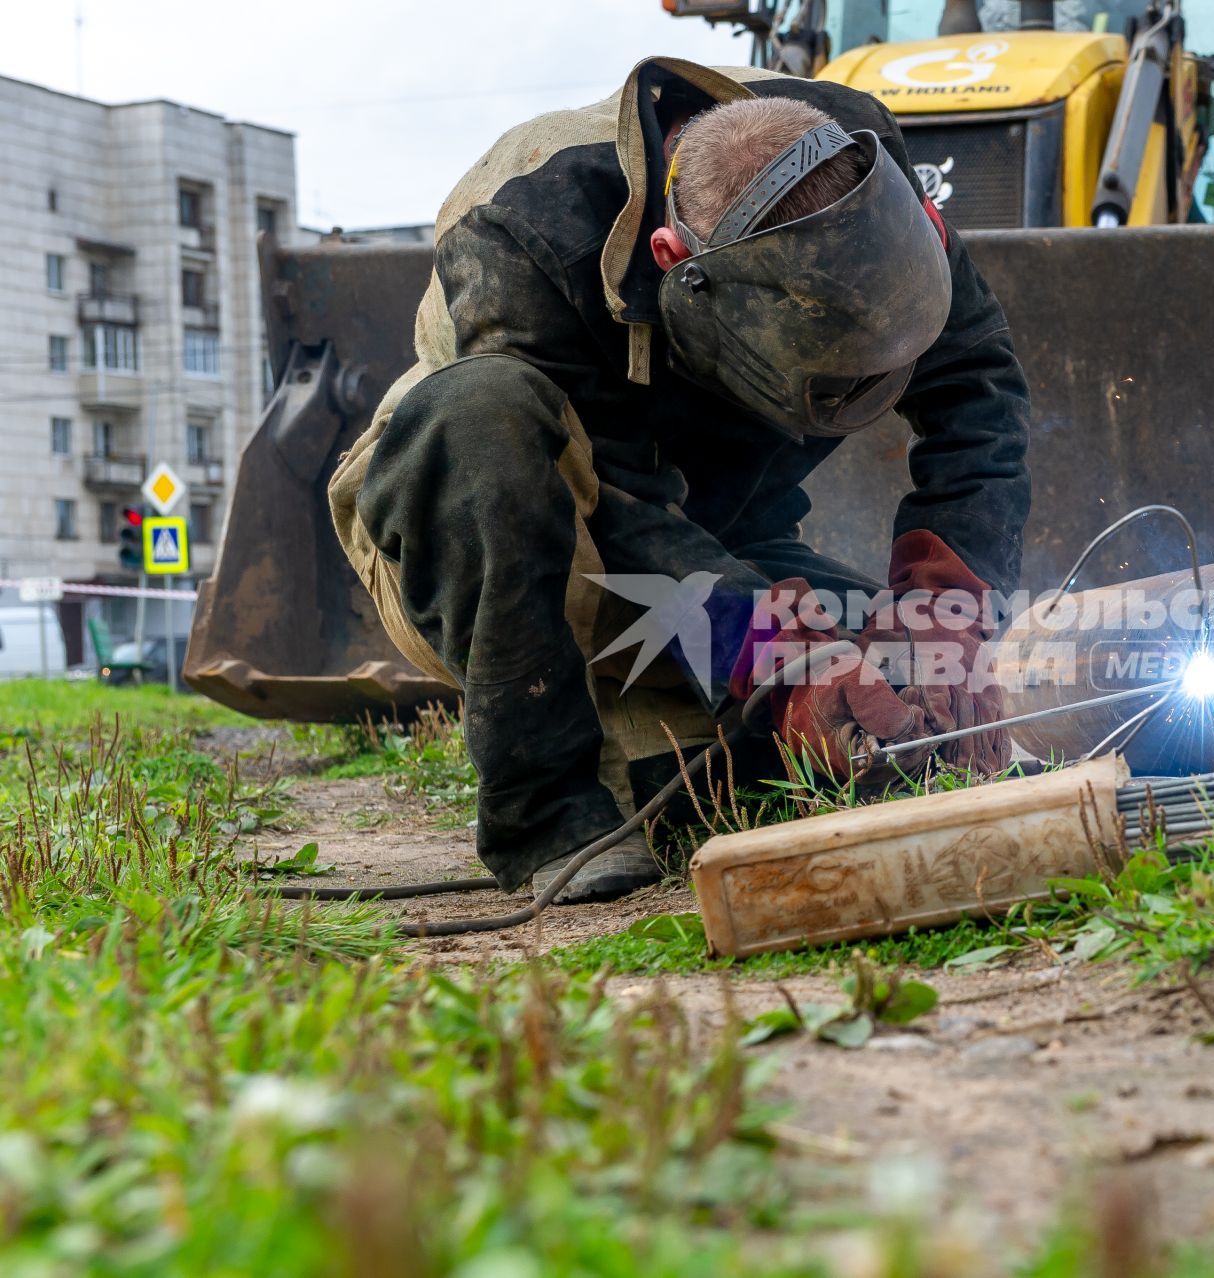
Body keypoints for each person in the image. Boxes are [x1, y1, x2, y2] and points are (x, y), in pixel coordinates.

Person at [327, 58, 1030, 904]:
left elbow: (975, 381)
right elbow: (619, 511)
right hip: (514, 544)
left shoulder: (858, 155)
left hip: (728, 534)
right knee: (483, 412)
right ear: (674, 261)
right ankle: (546, 810)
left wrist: (941, 612)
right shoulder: (522, 233)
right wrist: (782, 659)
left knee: (884, 715)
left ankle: (681, 747)